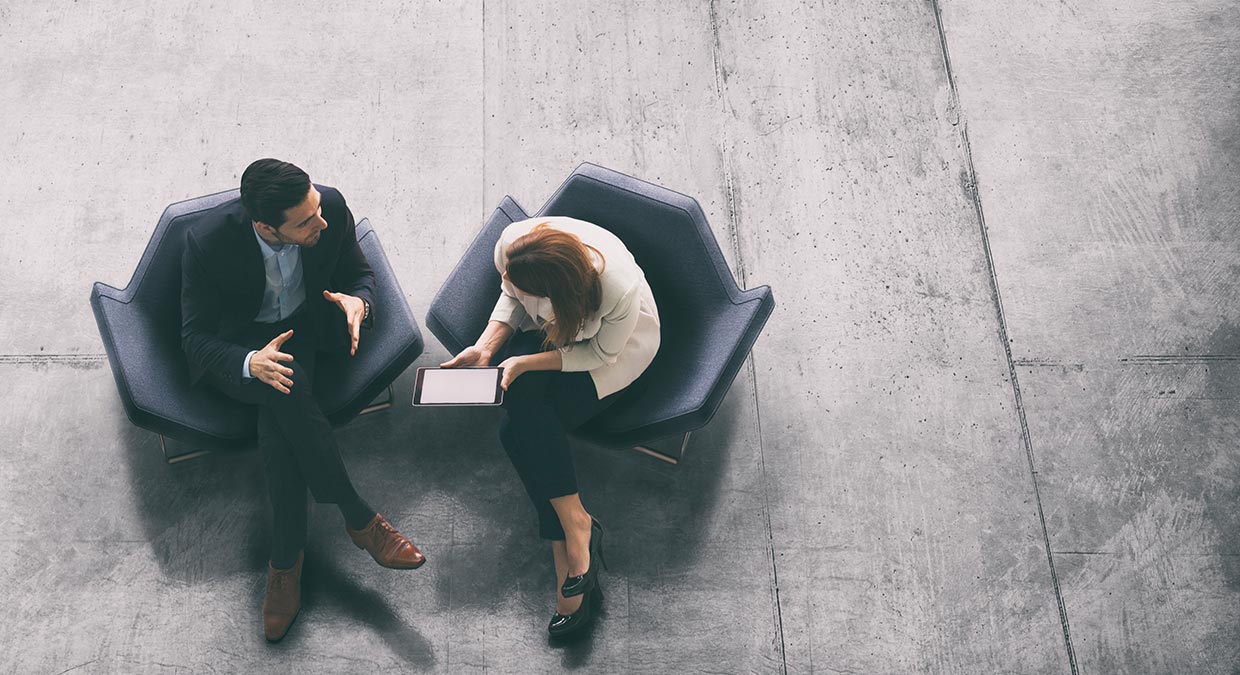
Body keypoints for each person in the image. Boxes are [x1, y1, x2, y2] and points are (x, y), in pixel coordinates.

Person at [180, 158, 427, 642]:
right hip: (242, 349)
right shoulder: (208, 243)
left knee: (281, 428)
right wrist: (251, 361)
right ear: (265, 227)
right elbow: (194, 338)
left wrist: (361, 303)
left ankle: (286, 562)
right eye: (307, 221)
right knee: (282, 391)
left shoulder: (328, 204)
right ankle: (359, 518)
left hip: (304, 332)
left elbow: (360, 274)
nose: (323, 222)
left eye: (316, 208)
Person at [441, 216, 661, 639]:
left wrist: (525, 361)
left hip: (615, 352)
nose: (506, 279)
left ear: (554, 293)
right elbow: (510, 290)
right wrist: (487, 346)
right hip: (555, 335)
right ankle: (576, 527)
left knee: (516, 427)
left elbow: (599, 351)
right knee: (520, 415)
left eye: (522, 285)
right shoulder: (513, 246)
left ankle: (570, 542)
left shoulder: (617, 288)